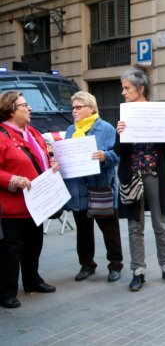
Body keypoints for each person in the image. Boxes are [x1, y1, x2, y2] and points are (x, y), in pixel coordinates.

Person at [116, 65, 165, 292]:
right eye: (122, 88)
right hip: (132, 176)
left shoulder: (159, 111)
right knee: (135, 226)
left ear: (140, 88)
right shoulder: (124, 113)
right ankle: (138, 270)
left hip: (156, 174)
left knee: (160, 224)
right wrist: (120, 134)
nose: (123, 92)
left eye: (127, 88)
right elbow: (119, 152)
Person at [0, 91, 59, 309]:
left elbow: (46, 154)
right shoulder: (1, 135)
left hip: (36, 205)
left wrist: (52, 162)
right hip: (12, 208)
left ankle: (32, 281)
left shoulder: (32, 132)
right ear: (10, 109)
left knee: (34, 246)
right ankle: (6, 291)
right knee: (11, 251)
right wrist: (13, 179)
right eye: (25, 105)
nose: (30, 108)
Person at [62, 91, 123, 283]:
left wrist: (105, 156)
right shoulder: (71, 130)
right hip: (78, 189)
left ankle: (115, 264)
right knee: (83, 230)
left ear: (91, 108)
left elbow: (118, 155)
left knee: (109, 228)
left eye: (78, 107)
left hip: (100, 186)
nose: (74, 111)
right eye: (73, 107)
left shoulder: (106, 129)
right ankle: (87, 264)